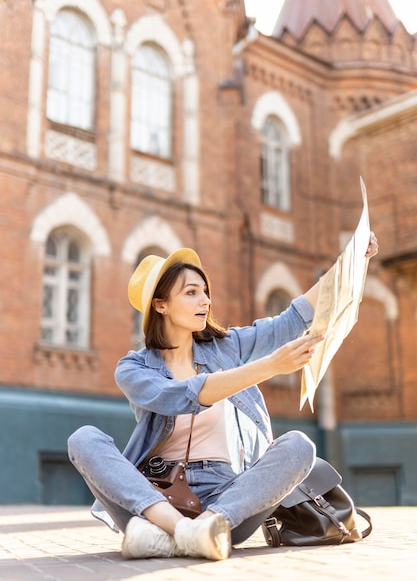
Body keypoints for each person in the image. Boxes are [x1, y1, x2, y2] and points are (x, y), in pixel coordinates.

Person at [68, 234, 379, 561]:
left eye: (205, 292)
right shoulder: (134, 368)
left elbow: (293, 318)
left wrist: (351, 263)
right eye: (191, 293)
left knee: (300, 445)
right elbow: (182, 397)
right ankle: (185, 532)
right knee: (84, 438)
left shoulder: (225, 347)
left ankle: (182, 534)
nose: (205, 301)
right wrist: (270, 366)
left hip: (226, 501)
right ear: (160, 305)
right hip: (153, 498)